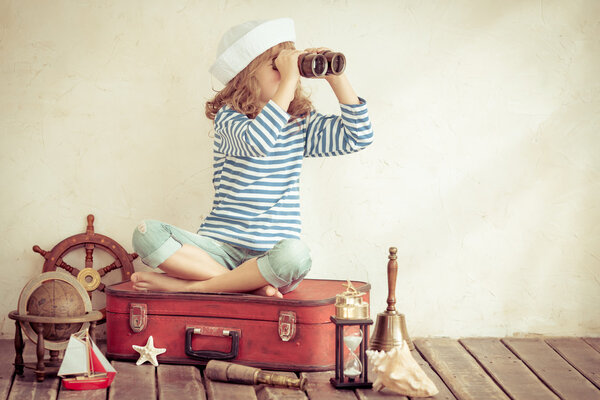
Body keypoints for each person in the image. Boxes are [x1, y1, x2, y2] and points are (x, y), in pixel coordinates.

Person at [130, 18, 373, 297]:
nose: (287, 75)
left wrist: (336, 77)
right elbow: (259, 142)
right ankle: (249, 288)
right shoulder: (229, 117)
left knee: (296, 254)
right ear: (247, 72)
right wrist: (290, 80)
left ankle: (198, 287)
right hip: (219, 250)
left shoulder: (299, 123)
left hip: (271, 258)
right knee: (146, 233)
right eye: (277, 67)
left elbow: (358, 136)